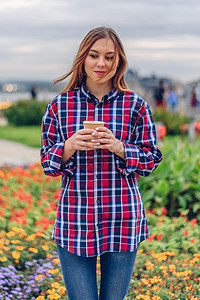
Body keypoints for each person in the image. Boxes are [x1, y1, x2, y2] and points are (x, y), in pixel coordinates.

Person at [40, 26, 163, 300]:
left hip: (122, 218)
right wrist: (69, 146)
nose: (101, 64)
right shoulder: (60, 106)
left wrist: (120, 148)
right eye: (94, 55)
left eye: (109, 57)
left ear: (119, 61)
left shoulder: (135, 106)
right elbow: (47, 162)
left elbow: (152, 159)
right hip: (75, 220)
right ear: (83, 58)